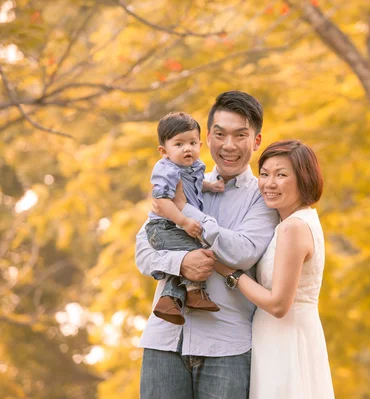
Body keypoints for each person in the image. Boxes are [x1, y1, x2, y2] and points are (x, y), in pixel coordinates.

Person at [135, 91, 279, 399]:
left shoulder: (263, 196)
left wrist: (184, 211)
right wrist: (180, 264)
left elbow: (242, 252)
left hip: (226, 348)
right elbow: (144, 251)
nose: (229, 145)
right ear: (207, 139)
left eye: (240, 135)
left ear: (255, 141)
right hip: (164, 341)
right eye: (220, 134)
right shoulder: (178, 177)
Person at [213, 139, 336, 398]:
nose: (269, 183)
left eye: (281, 175)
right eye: (265, 174)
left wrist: (229, 272)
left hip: (286, 340)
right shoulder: (298, 221)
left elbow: (279, 305)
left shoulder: (293, 228)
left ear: (304, 179)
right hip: (282, 336)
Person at [146, 111, 225, 324]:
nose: (187, 148)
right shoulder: (166, 170)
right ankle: (193, 292)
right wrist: (183, 221)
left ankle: (169, 301)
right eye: (179, 144)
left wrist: (210, 186)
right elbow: (161, 202)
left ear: (200, 144)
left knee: (188, 252)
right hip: (163, 227)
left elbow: (195, 184)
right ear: (164, 151)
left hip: (175, 226)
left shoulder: (195, 167)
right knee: (193, 252)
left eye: (192, 142)